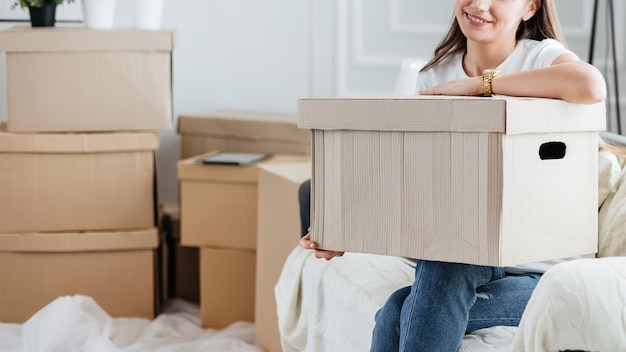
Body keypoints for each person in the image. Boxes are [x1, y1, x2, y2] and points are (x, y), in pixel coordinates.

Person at [299, 0, 607, 351]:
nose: (479, 4)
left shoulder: (541, 57)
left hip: (542, 273)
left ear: (530, 7)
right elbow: (411, 181)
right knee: (436, 268)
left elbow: (590, 84)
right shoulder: (433, 75)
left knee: (403, 305)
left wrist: (481, 86)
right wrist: (349, 231)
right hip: (467, 257)